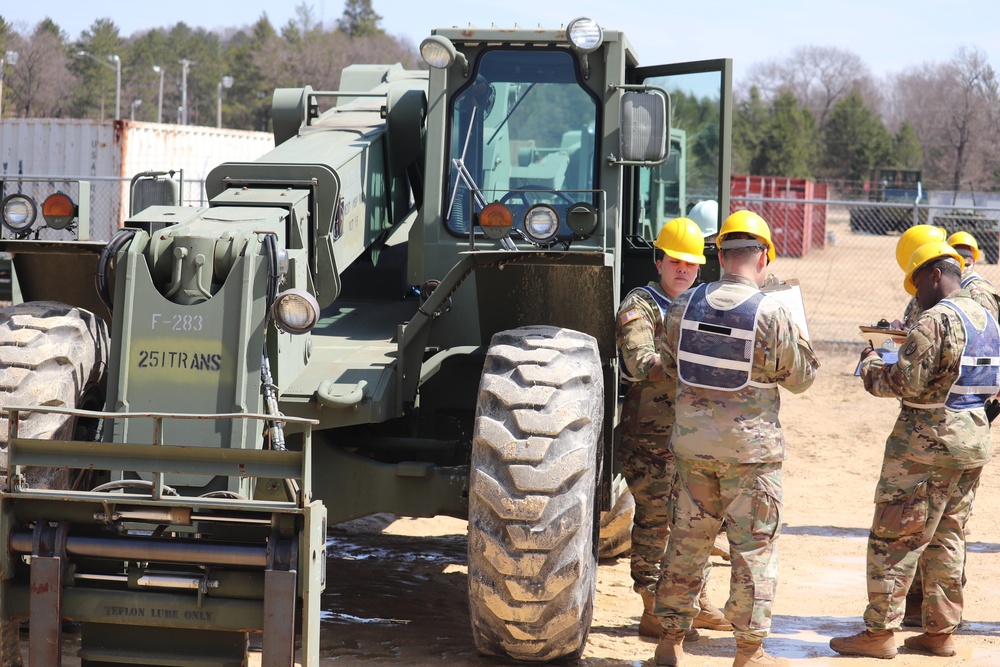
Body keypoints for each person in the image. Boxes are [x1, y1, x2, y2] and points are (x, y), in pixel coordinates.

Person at [651, 210, 819, 667]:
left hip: (692, 449)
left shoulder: (684, 305)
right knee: (753, 551)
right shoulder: (773, 311)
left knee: (685, 544)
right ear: (763, 256)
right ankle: (748, 653)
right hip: (751, 455)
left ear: (719, 255)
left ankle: (669, 644)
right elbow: (801, 379)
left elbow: (668, 365)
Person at [830, 241, 999, 659]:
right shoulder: (987, 318)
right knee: (948, 537)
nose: (915, 293)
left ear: (934, 275)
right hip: (972, 441)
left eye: (917, 283)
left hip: (924, 446)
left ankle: (879, 632)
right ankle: (940, 633)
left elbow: (901, 383)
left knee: (895, 535)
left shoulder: (935, 319)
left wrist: (871, 362)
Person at [615, 217, 731, 642]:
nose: (684, 270)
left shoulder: (705, 302)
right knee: (656, 521)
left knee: (701, 521)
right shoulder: (640, 305)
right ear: (659, 261)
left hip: (699, 434)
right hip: (652, 436)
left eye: (692, 264)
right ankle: (651, 607)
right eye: (676, 262)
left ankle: (693, 601)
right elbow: (639, 362)